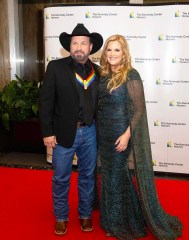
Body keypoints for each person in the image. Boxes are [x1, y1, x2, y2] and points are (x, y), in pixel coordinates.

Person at [97, 34, 183, 240]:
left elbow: (138, 111)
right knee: (109, 177)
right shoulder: (103, 75)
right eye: (109, 49)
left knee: (117, 176)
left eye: (117, 49)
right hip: (104, 136)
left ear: (124, 52)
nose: (112, 54)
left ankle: (121, 224)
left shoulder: (131, 75)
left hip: (121, 135)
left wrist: (127, 135)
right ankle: (111, 220)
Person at [39, 23, 103, 236]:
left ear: (90, 46)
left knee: (87, 176)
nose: (78, 47)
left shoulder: (98, 72)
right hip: (64, 133)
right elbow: (46, 102)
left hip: (90, 132)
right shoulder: (56, 68)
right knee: (61, 178)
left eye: (83, 43)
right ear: (69, 46)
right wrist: (47, 132)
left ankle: (85, 214)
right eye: (75, 43)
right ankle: (61, 217)